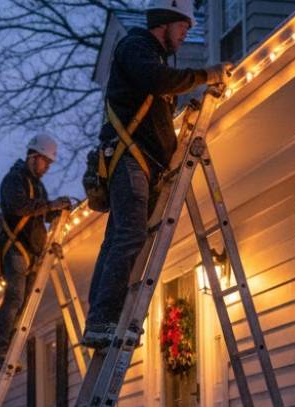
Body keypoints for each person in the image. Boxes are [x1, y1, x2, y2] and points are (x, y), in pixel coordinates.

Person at [81, 0, 232, 348]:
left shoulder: (151, 58)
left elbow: (158, 96)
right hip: (131, 162)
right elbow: (158, 80)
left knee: (118, 239)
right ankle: (104, 318)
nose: (184, 37)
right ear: (164, 23)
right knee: (129, 237)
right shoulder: (136, 48)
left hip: (140, 164)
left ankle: (101, 318)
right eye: (183, 29)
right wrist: (205, 75)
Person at [0, 134, 73, 371]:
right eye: (45, 162)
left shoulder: (38, 186)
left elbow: (42, 214)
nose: (47, 167)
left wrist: (58, 212)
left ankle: (10, 352)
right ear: (34, 157)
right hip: (16, 248)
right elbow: (19, 207)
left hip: (34, 253)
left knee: (24, 305)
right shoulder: (14, 181)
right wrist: (51, 205)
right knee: (14, 298)